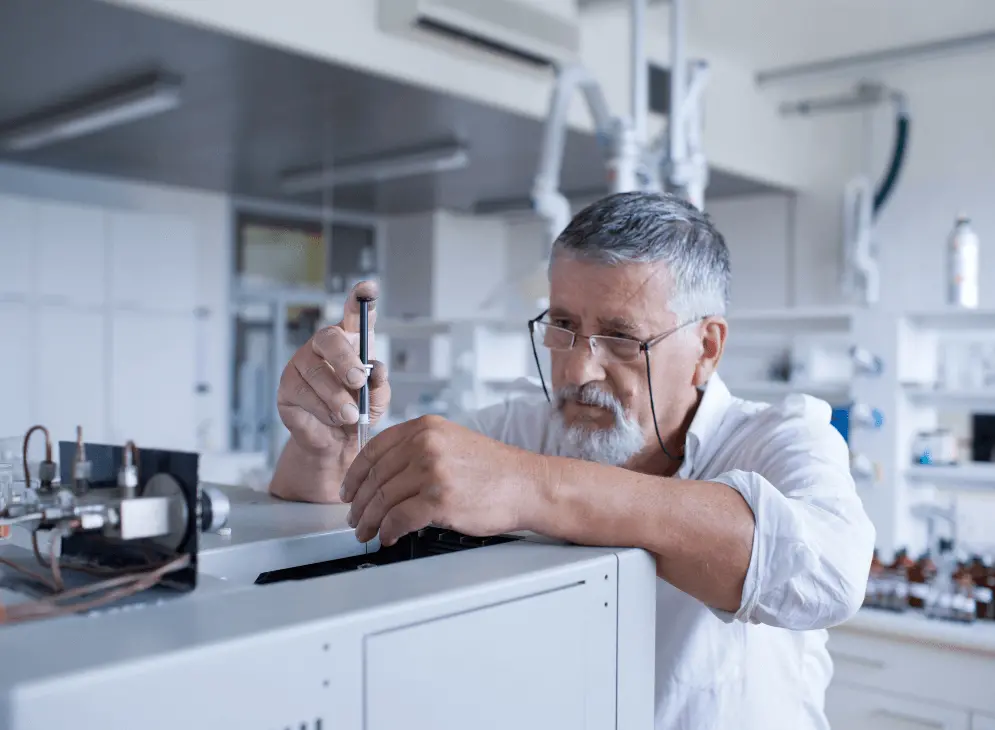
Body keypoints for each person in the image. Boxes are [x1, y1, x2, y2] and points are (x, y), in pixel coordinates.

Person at [269, 191, 875, 730]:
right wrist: (324, 446)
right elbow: (346, 514)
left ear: (706, 348)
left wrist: (529, 487)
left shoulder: (779, 437)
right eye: (562, 326)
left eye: (620, 337)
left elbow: (828, 573)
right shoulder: (518, 428)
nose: (579, 370)